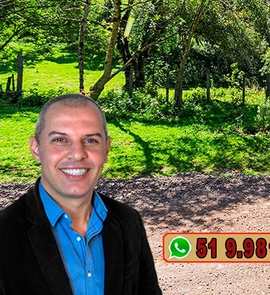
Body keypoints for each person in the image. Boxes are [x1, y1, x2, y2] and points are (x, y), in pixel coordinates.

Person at [0, 94, 162, 295]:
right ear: (36, 149)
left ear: (106, 150)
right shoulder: (4, 233)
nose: (77, 154)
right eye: (60, 139)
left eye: (91, 140)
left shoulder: (129, 222)